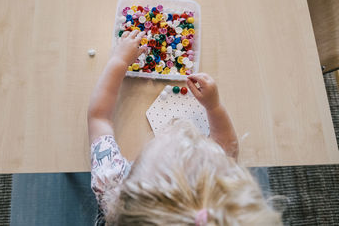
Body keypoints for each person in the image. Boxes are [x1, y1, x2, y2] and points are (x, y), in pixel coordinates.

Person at [87, 30, 282, 225]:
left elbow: (99, 117)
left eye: (161, 141)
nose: (171, 127)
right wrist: (214, 107)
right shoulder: (219, 184)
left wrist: (119, 61)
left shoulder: (112, 183)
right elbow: (227, 150)